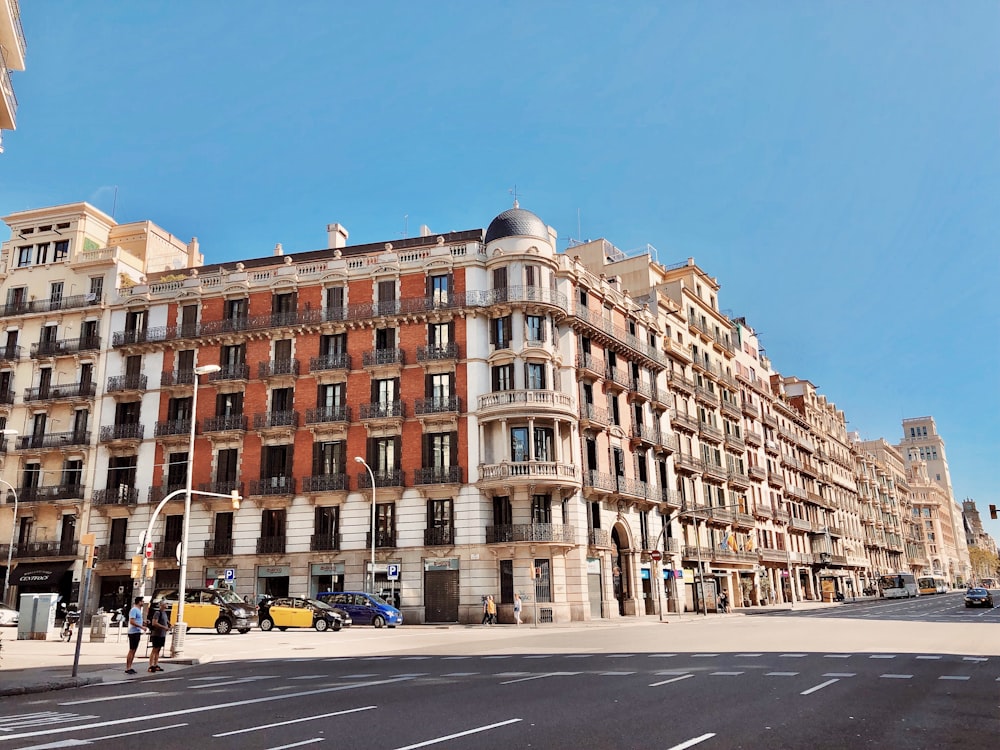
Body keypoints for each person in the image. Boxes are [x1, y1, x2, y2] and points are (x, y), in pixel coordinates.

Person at [125, 596, 148, 675]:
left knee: (134, 650)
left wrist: (143, 622)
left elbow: (137, 620)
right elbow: (132, 621)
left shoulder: (138, 610)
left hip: (137, 632)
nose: (143, 603)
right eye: (142, 601)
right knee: (132, 650)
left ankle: (130, 667)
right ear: (139, 602)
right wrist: (141, 627)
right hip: (133, 632)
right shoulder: (134, 610)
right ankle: (128, 667)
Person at [147, 600, 170, 673]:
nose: (167, 605)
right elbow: (154, 623)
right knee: (155, 649)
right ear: (162, 605)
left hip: (162, 634)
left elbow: (166, 621)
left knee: (158, 649)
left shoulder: (164, 613)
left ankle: (155, 664)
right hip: (156, 634)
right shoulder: (157, 613)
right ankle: (151, 665)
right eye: (166, 603)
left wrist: (169, 625)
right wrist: (164, 627)